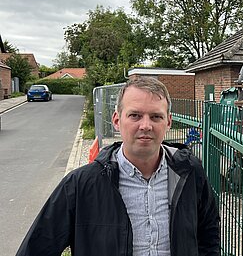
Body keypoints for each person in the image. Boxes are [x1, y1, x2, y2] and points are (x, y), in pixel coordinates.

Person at [16, 76, 220, 256]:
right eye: (135, 115)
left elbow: (208, 233)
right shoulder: (80, 185)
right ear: (116, 120)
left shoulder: (190, 172)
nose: (146, 125)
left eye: (156, 116)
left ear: (168, 122)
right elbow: (37, 247)